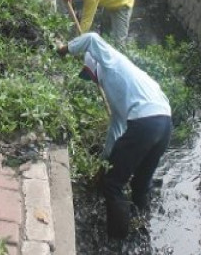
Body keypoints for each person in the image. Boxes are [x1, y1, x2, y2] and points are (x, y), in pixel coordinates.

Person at [57, 32, 172, 239]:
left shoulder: (111, 61)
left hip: (145, 122)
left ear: (95, 66)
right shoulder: (118, 88)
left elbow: (91, 38)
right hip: (164, 123)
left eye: (89, 74)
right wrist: (104, 163)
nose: (92, 80)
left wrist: (64, 50)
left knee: (113, 184)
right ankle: (141, 226)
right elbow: (116, 129)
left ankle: (117, 242)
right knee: (140, 183)